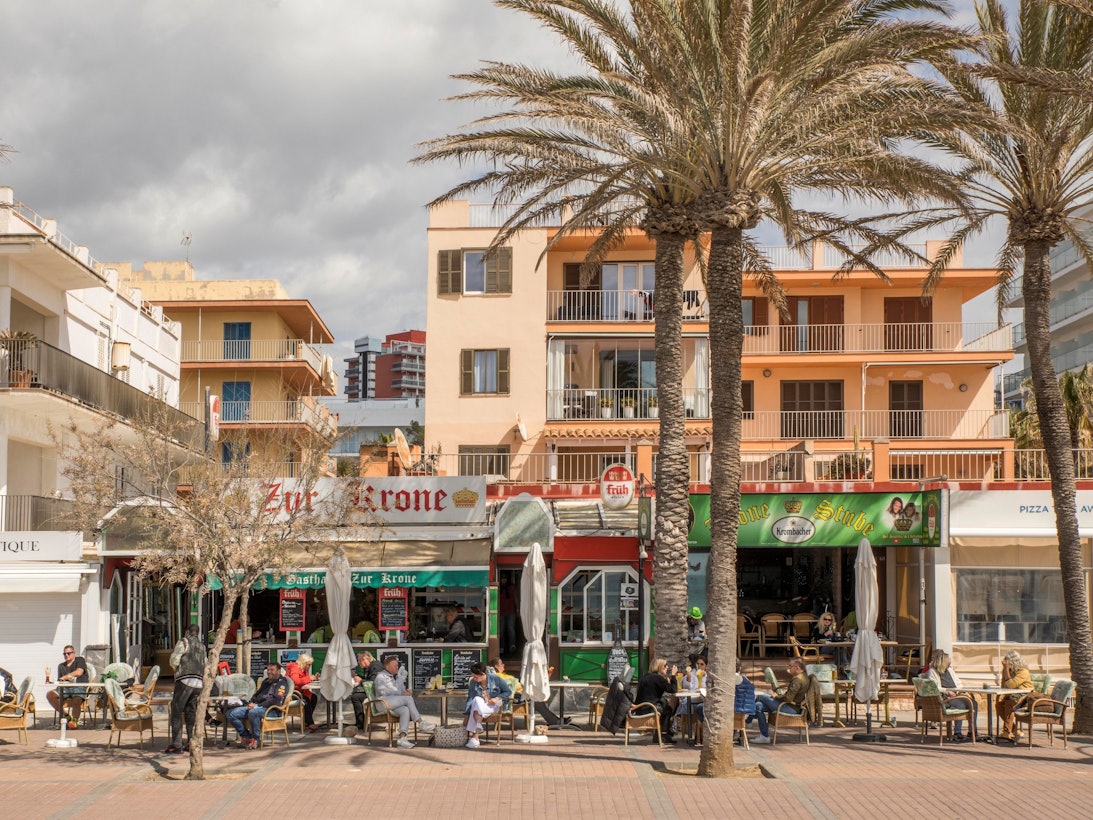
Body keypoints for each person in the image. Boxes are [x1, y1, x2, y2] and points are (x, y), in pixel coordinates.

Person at [373, 654, 436, 748]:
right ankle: (421, 723)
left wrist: (406, 691)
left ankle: (402, 740)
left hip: (394, 703)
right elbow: (382, 690)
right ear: (387, 667)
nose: (397, 667)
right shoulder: (380, 676)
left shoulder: (398, 676)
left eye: (397, 665)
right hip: (383, 702)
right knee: (408, 699)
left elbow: (402, 690)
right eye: (394, 665)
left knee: (405, 710)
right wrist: (401, 693)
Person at [226, 662, 290, 750]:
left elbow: (276, 701)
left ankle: (255, 739)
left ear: (278, 671)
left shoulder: (281, 683)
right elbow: (257, 695)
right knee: (231, 713)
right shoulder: (266, 682)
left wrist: (257, 705)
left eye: (272, 670)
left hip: (272, 710)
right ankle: (246, 736)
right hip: (257, 707)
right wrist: (250, 703)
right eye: (268, 670)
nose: (269, 672)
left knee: (253, 712)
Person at [165, 623, 205, 754]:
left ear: (187, 632)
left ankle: (176, 743)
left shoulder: (183, 642)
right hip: (198, 683)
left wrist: (176, 670)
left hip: (184, 680)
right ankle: (190, 742)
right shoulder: (202, 646)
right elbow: (205, 662)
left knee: (176, 711)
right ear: (197, 633)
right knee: (190, 711)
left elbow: (174, 660)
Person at [753, 657, 810, 744]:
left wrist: (776, 696)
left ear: (797, 667)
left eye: (790, 666)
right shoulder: (804, 677)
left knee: (762, 697)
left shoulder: (798, 680)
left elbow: (788, 698)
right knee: (758, 705)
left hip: (791, 709)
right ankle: (764, 736)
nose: (788, 668)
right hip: (789, 706)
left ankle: (749, 719)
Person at [925, 649, 977, 742]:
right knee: (960, 705)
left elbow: (959, 683)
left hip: (957, 694)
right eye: (947, 663)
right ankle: (957, 733)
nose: (949, 665)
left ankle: (972, 731)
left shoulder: (949, 671)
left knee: (974, 703)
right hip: (944, 698)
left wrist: (958, 690)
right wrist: (947, 691)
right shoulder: (932, 672)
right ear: (942, 663)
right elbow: (934, 687)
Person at [464, 661, 511, 749]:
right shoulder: (474, 683)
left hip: (494, 705)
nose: (474, 679)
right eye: (473, 676)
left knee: (475, 708)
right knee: (476, 699)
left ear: (482, 674)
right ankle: (477, 729)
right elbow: (470, 698)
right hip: (480, 706)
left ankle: (475, 738)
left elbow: (508, 692)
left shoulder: (496, 679)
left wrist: (497, 698)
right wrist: (466, 713)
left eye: (475, 677)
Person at [634, 657, 679, 743]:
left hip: (640, 708)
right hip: (648, 709)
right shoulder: (658, 678)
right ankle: (664, 735)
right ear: (659, 666)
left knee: (664, 705)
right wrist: (673, 675)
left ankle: (659, 735)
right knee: (668, 710)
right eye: (665, 665)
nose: (667, 667)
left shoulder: (646, 676)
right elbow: (673, 690)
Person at [46, 645, 88, 727]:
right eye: (64, 654)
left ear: (74, 653)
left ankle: (74, 722)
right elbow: (60, 681)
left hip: (79, 686)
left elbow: (79, 672)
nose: (66, 655)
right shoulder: (61, 666)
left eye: (68, 653)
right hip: (65, 688)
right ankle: (67, 717)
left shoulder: (80, 660)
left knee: (77, 699)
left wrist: (65, 677)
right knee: (50, 695)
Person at [998, 649, 1034, 742]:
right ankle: (1015, 731)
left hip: (1025, 698)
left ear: (1012, 661)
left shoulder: (1023, 671)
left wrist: (1006, 669)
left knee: (1010, 704)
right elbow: (1004, 686)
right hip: (1014, 697)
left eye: (1006, 661)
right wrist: (1005, 671)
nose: (1004, 663)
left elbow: (1010, 685)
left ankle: (1007, 731)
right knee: (998, 705)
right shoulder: (1010, 671)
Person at [284, 653, 319, 731]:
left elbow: (304, 680)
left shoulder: (303, 669)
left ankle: (306, 721)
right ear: (303, 663)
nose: (309, 666)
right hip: (291, 694)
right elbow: (296, 681)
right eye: (308, 664)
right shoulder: (295, 669)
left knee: (314, 698)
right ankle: (310, 723)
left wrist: (313, 678)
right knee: (305, 700)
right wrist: (309, 678)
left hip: (299, 691)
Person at [351, 651, 384, 729]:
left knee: (355, 697)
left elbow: (373, 682)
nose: (359, 663)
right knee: (355, 694)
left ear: (365, 659)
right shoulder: (368, 667)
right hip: (372, 691)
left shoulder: (376, 666)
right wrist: (357, 676)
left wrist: (360, 681)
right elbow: (367, 679)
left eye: (359, 661)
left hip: (378, 693)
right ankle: (360, 722)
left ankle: (361, 723)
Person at [498, 579, 519, 654]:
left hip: (511, 611)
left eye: (505, 577)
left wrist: (517, 609)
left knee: (511, 629)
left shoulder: (512, 587)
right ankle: (501, 647)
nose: (503, 580)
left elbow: (515, 598)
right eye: (502, 578)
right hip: (501, 612)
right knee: (501, 630)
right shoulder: (498, 587)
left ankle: (512, 645)